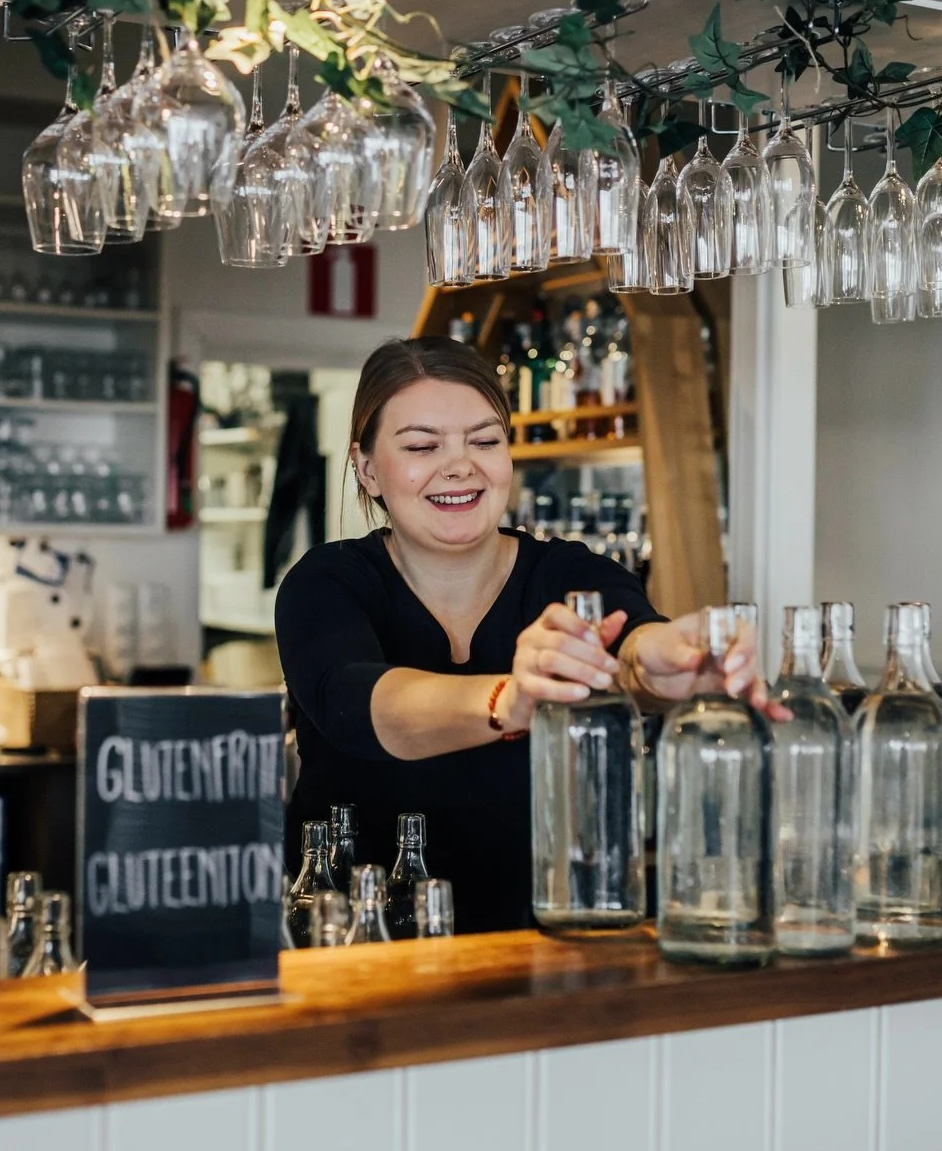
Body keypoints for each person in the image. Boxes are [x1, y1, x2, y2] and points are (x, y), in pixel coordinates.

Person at [274, 336, 773, 934]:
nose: (460, 466)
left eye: (485, 441)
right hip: (357, 944)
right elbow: (360, 705)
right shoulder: (327, 583)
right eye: (422, 446)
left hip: (542, 942)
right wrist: (509, 700)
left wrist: (666, 660)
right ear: (367, 467)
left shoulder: (566, 573)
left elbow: (631, 642)